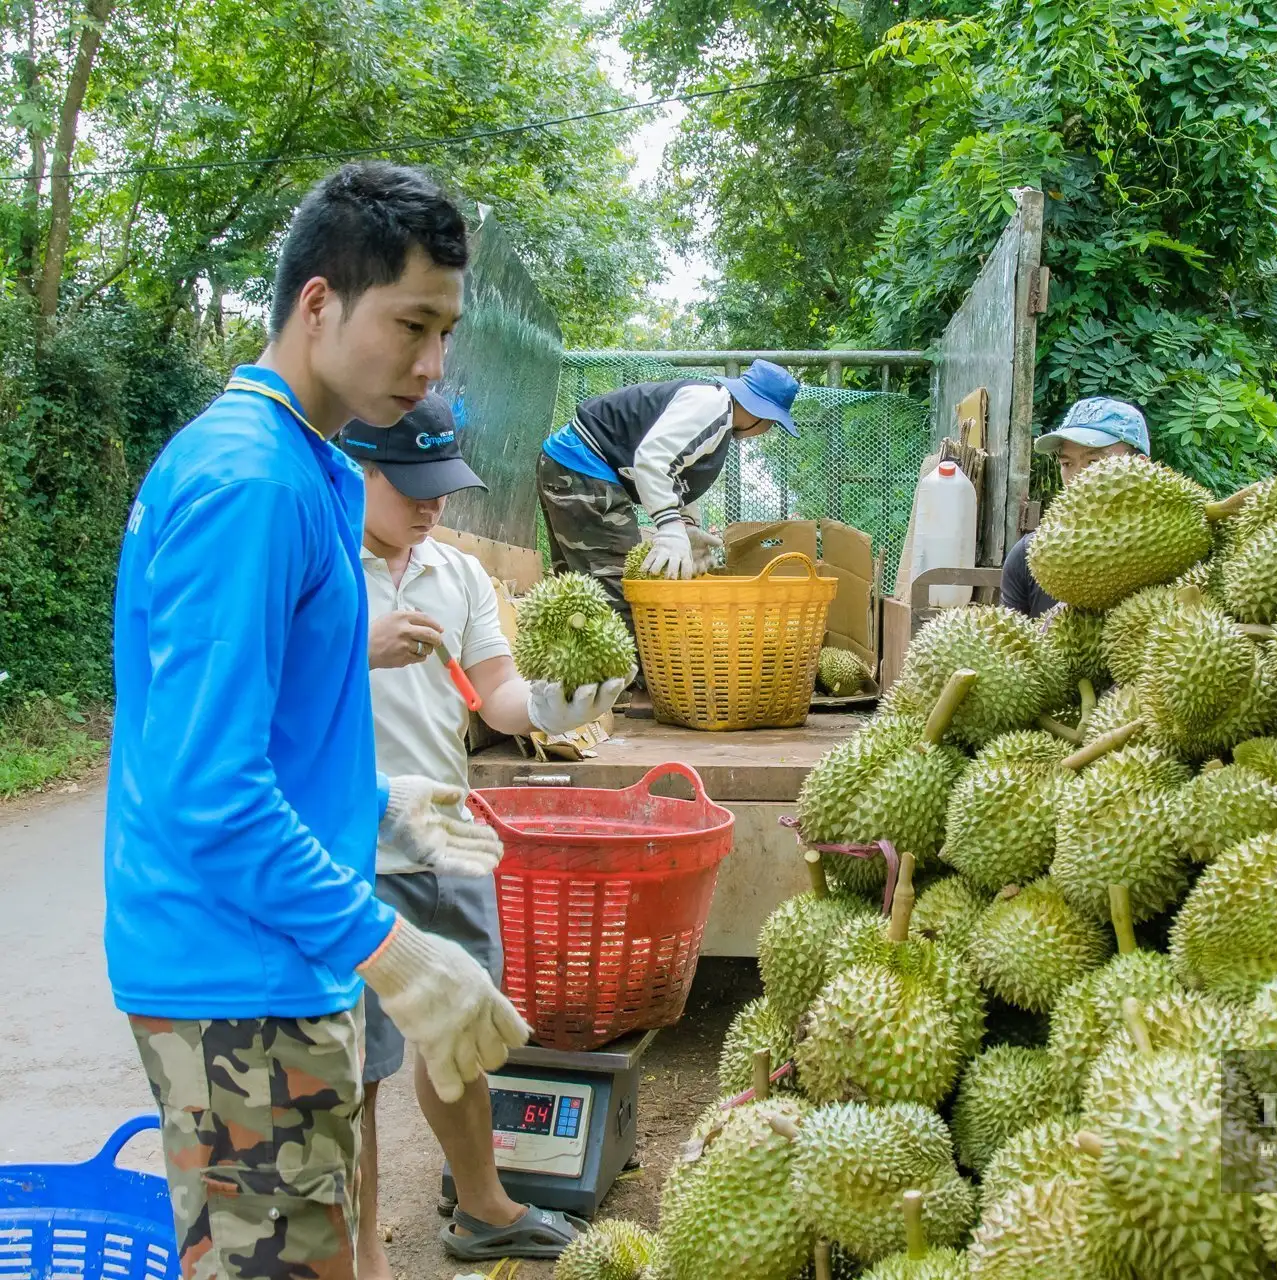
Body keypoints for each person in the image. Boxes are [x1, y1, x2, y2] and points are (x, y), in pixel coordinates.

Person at [105, 163, 528, 1280]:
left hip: (282, 960)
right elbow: (207, 790)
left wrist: (378, 797)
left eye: (446, 331)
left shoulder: (310, 467)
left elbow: (258, 729)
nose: (433, 364)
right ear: (319, 302)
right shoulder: (251, 483)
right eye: (412, 324)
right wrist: (397, 952)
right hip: (237, 975)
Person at [340, 395, 629, 1272]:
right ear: (360, 471)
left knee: (461, 1033)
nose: (433, 507)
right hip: (354, 854)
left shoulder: (456, 575)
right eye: (414, 487)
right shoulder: (318, 571)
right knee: (354, 1072)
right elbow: (266, 698)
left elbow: (495, 695)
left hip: (450, 844)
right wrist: (357, 644)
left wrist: (553, 704)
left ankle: (482, 1206)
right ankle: (360, 1253)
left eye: (443, 487)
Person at [536, 359, 802, 632]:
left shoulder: (718, 416)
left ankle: (584, 672)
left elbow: (678, 473)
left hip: (569, 464)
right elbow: (652, 460)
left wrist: (687, 526)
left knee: (577, 591)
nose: (766, 431)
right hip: (583, 466)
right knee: (623, 593)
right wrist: (669, 527)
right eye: (773, 423)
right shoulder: (711, 406)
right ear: (762, 413)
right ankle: (632, 674)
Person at [1000, 396, 1151, 616]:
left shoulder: (1179, 554)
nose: (1078, 478)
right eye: (1067, 464)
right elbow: (1007, 642)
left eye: (1094, 462)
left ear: (1140, 467)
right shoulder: (1029, 556)